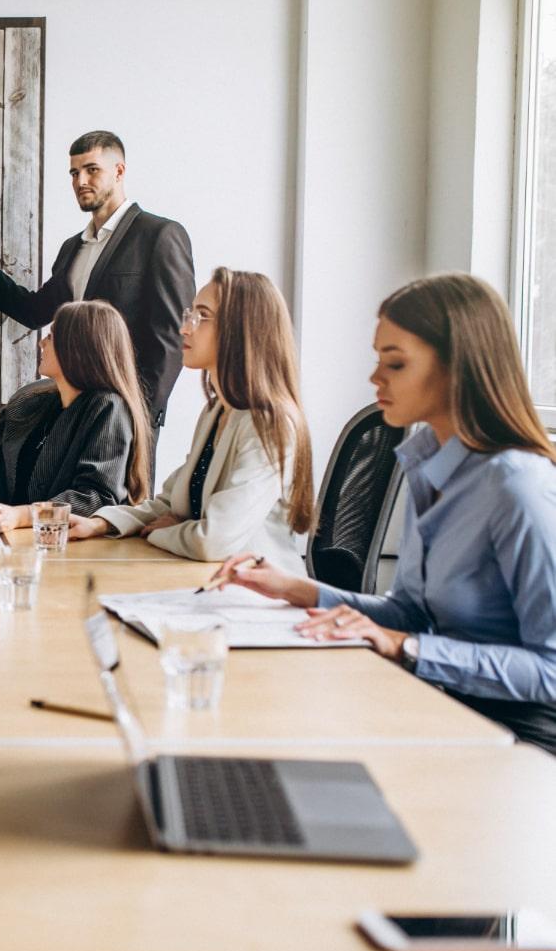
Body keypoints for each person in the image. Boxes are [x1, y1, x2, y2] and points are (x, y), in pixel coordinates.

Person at [212, 274, 556, 754]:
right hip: (442, 704)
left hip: (521, 738)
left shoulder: (517, 486)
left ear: (460, 368)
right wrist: (296, 588)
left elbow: (550, 670)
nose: (375, 378)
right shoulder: (425, 462)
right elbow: (409, 612)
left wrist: (406, 647)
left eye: (395, 363)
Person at [67, 267, 314, 568]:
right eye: (190, 314)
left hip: (254, 596)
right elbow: (170, 503)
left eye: (202, 315)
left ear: (241, 329)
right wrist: (101, 523)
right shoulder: (215, 411)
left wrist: (166, 532)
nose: (185, 328)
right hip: (203, 581)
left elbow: (214, 541)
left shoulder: (269, 423)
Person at [0, 130, 194, 431]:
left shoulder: (159, 235)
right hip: (70, 410)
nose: (81, 181)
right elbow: (35, 311)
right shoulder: (72, 248)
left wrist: (143, 413)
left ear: (119, 171)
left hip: (128, 414)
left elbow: (171, 335)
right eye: (74, 173)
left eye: (92, 170)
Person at [0, 300, 150, 529]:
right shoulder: (31, 400)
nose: (41, 343)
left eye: (51, 336)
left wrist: (22, 516)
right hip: (8, 540)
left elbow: (96, 496)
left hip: (68, 551)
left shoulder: (108, 408)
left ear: (78, 348)